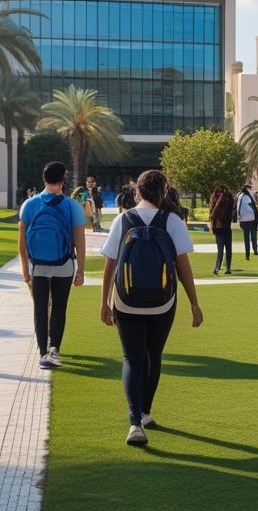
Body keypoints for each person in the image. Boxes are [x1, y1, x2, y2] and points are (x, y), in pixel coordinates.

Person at [100, 169, 202, 446]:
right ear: (164, 190)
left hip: (125, 300)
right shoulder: (172, 221)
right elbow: (183, 267)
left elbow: (110, 264)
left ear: (137, 191)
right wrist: (194, 303)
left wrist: (105, 303)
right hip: (163, 302)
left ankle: (134, 423)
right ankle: (145, 412)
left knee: (132, 359)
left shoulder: (123, 219)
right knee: (153, 355)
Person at [19, 162, 87, 370]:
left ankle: (42, 352)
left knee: (40, 308)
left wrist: (25, 270)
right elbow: (79, 242)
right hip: (64, 264)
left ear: (44, 178)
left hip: (38, 266)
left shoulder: (30, 204)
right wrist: (81, 271)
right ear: (62, 179)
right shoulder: (71, 206)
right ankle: (54, 348)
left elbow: (22, 242)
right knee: (59, 307)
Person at [208, 184, 235, 275]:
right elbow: (212, 215)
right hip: (220, 228)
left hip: (223, 227)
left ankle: (224, 268)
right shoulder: (220, 201)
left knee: (226, 250)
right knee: (223, 250)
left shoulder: (227, 201)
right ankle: (219, 268)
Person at [236, 184, 258, 259]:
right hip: (248, 218)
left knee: (250, 236)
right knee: (250, 236)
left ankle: (252, 251)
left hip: (249, 218)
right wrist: (238, 217)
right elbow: (238, 207)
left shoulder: (250, 195)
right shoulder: (243, 196)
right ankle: (249, 253)